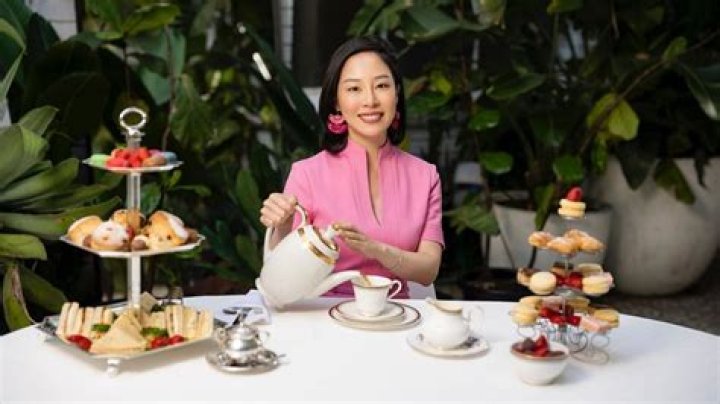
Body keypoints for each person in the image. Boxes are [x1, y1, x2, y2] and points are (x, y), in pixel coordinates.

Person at [259, 36, 443, 298]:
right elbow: (283, 275)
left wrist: (377, 250)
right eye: (354, 88)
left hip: (398, 316)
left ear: (396, 93)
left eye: (381, 85)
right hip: (322, 316)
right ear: (336, 101)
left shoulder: (426, 176)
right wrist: (283, 226)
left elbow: (428, 270)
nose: (370, 100)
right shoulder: (307, 175)